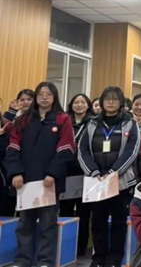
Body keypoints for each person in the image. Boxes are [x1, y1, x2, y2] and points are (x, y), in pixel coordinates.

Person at [4, 82, 75, 267]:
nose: (44, 97)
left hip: (49, 182)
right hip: (25, 181)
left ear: (54, 97)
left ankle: (45, 261)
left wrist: (53, 173)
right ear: (36, 97)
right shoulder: (23, 120)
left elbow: (66, 148)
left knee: (47, 223)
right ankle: (22, 260)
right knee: (24, 223)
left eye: (48, 94)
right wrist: (16, 173)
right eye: (41, 94)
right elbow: (13, 148)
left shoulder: (62, 119)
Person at [78, 86, 141, 267]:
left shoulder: (130, 123)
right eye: (107, 99)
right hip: (96, 181)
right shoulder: (91, 123)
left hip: (120, 181)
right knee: (98, 221)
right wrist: (94, 172)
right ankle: (98, 258)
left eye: (115, 99)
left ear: (121, 102)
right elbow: (82, 150)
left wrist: (114, 172)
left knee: (119, 222)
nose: (111, 102)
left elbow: (132, 151)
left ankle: (114, 259)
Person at [60, 93, 95, 256]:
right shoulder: (65, 121)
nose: (79, 105)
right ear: (71, 105)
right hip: (67, 172)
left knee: (84, 212)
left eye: (82, 102)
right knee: (65, 211)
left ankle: (81, 248)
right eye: (76, 102)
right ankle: (65, 246)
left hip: (86, 173)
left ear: (88, 105)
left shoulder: (93, 123)